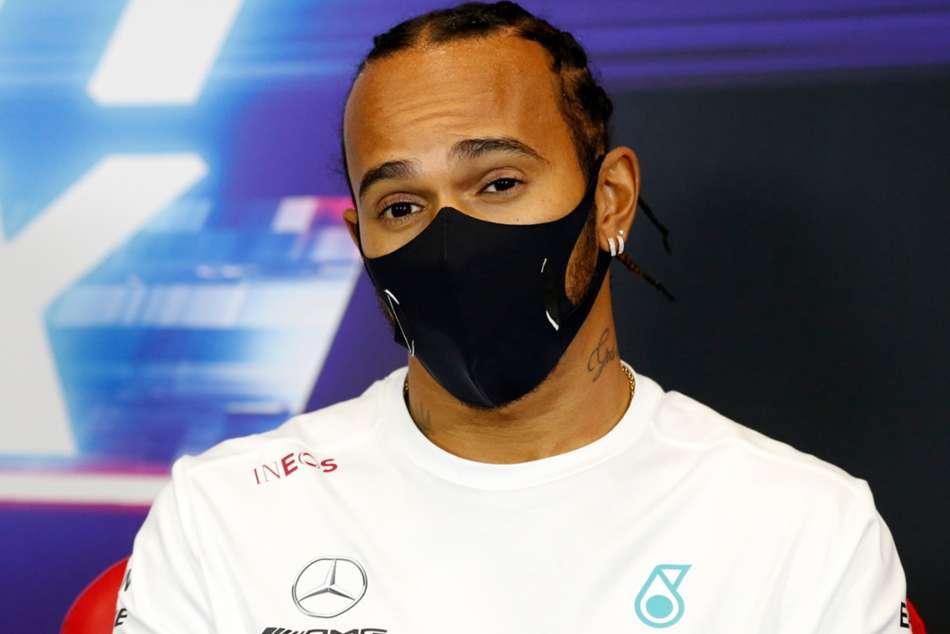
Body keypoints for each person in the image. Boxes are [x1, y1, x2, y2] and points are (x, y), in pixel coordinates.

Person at [113, 2, 908, 632]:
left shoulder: (802, 527)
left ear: (611, 200)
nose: (449, 241)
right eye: (401, 205)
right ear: (360, 240)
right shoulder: (227, 513)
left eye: (498, 183)